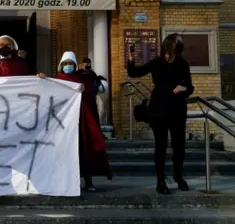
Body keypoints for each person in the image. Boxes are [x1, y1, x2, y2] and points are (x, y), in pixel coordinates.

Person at [127, 33, 194, 195]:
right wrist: (130, 58)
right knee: (161, 147)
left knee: (179, 146)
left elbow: (190, 87)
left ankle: (178, 176)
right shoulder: (156, 62)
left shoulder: (183, 64)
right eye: (177, 42)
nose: (180, 45)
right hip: (159, 109)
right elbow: (134, 73)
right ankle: (161, 181)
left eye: (181, 43)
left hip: (177, 109)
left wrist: (184, 89)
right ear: (169, 44)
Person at [56, 51, 112, 191]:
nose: (68, 66)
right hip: (64, 124)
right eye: (66, 63)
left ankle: (88, 181)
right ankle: (66, 182)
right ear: (61, 65)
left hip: (81, 123)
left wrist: (86, 88)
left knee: (83, 151)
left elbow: (91, 95)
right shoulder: (57, 79)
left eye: (71, 64)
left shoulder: (81, 79)